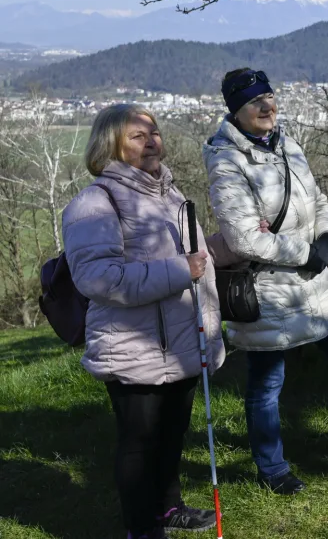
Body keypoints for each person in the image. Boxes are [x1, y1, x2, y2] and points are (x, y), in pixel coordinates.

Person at [203, 68, 328, 497]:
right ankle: (272, 468)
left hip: (314, 280)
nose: (268, 106)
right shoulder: (226, 161)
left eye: (270, 96)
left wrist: (326, 237)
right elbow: (244, 237)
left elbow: (318, 197)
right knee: (267, 382)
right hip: (269, 286)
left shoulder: (287, 143)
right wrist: (305, 253)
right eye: (256, 101)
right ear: (236, 110)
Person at [62, 104, 225, 539]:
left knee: (172, 436)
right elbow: (98, 277)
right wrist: (179, 270)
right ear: (110, 144)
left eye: (153, 132)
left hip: (183, 341)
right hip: (134, 347)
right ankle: (141, 528)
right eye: (138, 135)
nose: (151, 140)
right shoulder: (94, 203)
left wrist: (226, 246)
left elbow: (194, 259)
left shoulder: (169, 193)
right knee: (139, 444)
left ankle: (168, 509)